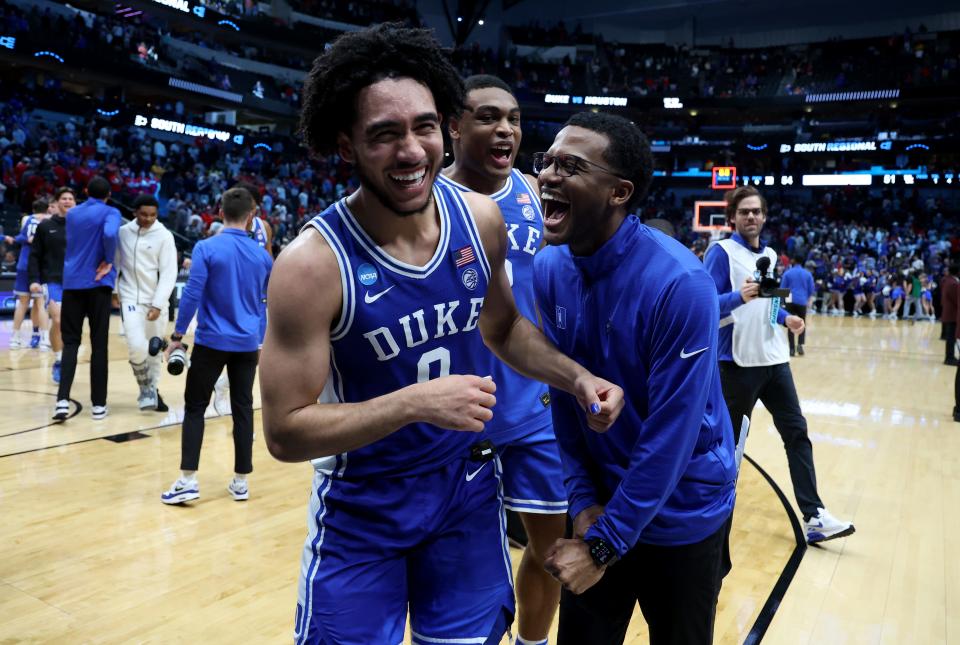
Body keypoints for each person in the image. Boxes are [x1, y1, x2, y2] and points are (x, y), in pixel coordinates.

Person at [259, 24, 623, 645]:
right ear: (345, 143)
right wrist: (413, 405)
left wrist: (577, 376)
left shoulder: (479, 219)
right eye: (384, 134)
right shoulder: (311, 266)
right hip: (364, 506)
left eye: (423, 127)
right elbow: (285, 432)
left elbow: (504, 327)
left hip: (465, 491)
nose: (411, 151)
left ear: (443, 128)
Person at [531, 112, 736, 645]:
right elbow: (562, 398)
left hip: (681, 515)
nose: (548, 175)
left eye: (570, 166)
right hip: (600, 509)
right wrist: (581, 504)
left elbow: (673, 435)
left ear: (619, 191)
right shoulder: (550, 266)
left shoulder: (682, 285)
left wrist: (604, 546)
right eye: (547, 161)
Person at [437, 74, 564, 645]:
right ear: (454, 126)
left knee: (555, 552)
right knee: (457, 572)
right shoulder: (425, 198)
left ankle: (530, 643)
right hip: (455, 409)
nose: (506, 128)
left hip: (534, 403)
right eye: (488, 116)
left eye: (513, 118)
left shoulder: (538, 194)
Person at [703, 186, 855, 544]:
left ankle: (815, 515)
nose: (751, 217)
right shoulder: (721, 252)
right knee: (729, 448)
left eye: (756, 211)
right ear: (732, 217)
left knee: (796, 433)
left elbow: (768, 304)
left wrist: (786, 318)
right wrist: (738, 296)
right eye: (744, 212)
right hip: (736, 364)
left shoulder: (770, 255)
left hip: (775, 360)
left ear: (765, 216)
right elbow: (706, 305)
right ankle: (710, 517)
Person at [160, 187, 272, 505]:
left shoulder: (206, 247)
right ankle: (240, 482)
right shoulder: (263, 256)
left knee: (195, 407)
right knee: (243, 409)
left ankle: (187, 480)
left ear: (220, 213)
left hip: (211, 341)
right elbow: (266, 303)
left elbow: (193, 293)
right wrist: (261, 339)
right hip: (248, 344)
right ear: (252, 217)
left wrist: (178, 335)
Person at [54, 178, 120, 420]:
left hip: (72, 283)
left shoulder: (73, 214)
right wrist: (109, 259)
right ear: (109, 194)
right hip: (97, 284)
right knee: (99, 345)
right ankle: (98, 405)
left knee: (70, 343)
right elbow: (111, 233)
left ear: (84, 191)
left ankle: (62, 401)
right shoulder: (111, 211)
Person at [116, 194, 178, 411]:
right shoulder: (123, 233)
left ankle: (152, 390)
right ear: (134, 213)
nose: (149, 218)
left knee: (154, 350)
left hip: (155, 302)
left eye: (153, 215)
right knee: (136, 345)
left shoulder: (164, 236)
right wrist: (115, 290)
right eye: (144, 214)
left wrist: (158, 304)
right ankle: (146, 388)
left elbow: (169, 273)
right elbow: (116, 263)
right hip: (130, 297)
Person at [29, 188, 73, 383]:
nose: (67, 201)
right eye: (64, 198)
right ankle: (59, 360)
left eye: (71, 198)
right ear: (56, 202)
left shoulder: (80, 225)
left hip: (77, 282)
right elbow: (35, 254)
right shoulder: (46, 226)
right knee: (57, 320)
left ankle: (67, 357)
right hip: (53, 280)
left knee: (70, 325)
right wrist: (33, 279)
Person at [4, 198, 50, 349]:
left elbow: (23, 238)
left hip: (25, 263)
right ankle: (44, 339)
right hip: (41, 265)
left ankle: (15, 338)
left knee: (22, 303)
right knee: (40, 304)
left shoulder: (27, 219)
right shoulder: (51, 220)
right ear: (48, 208)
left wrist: (14, 239)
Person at [780, 255, 816, 357]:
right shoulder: (808, 274)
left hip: (790, 300)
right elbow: (811, 290)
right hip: (802, 301)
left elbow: (782, 289)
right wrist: (805, 298)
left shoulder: (787, 273)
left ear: (793, 260)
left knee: (790, 324)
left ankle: (791, 349)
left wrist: (783, 303)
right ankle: (800, 346)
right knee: (802, 324)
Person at [941, 264, 958, 365]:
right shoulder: (953, 283)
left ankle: (950, 356)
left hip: (948, 312)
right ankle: (949, 358)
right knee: (951, 337)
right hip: (952, 313)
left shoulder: (947, 280)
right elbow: (956, 299)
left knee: (950, 337)